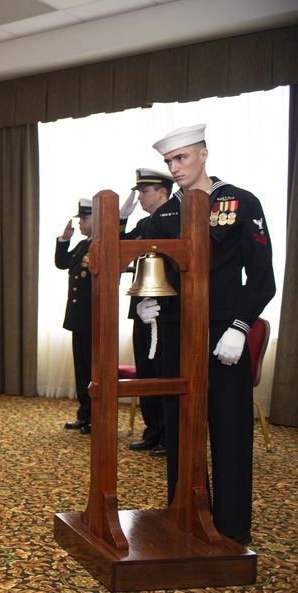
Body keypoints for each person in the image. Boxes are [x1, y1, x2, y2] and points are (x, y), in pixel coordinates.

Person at [140, 124, 276, 546]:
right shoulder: (162, 216)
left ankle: (232, 527)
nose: (174, 168)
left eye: (181, 158)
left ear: (203, 154)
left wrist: (240, 327)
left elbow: (262, 277)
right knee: (181, 427)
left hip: (224, 335)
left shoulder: (239, 202)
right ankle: (185, 514)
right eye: (168, 162)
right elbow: (152, 269)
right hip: (178, 332)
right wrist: (147, 307)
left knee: (230, 428)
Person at [121, 168, 172, 455]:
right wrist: (120, 219)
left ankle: (169, 434)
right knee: (146, 374)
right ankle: (153, 431)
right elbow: (120, 248)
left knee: (165, 373)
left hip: (165, 310)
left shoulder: (177, 219)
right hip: (140, 307)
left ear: (162, 190)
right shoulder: (143, 223)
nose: (139, 196)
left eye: (144, 191)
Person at [55, 199, 93, 435]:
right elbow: (61, 263)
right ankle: (84, 414)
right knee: (81, 369)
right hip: (78, 318)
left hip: (94, 319)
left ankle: (95, 417)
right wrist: (65, 239)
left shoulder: (103, 245)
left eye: (85, 218)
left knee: (93, 371)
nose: (80, 222)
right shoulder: (82, 245)